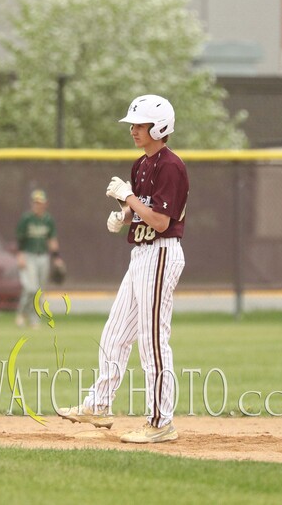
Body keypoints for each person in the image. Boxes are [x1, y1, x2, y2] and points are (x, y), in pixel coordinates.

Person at [58, 94, 188, 444]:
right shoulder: (141, 164)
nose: (133, 129)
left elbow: (160, 221)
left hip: (161, 254)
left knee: (153, 342)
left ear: (158, 127)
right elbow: (141, 212)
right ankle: (99, 404)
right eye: (133, 123)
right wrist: (124, 214)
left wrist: (128, 199)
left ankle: (161, 421)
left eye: (139, 124)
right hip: (141, 256)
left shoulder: (171, 165)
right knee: (114, 335)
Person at [15, 189, 64, 328]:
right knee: (31, 288)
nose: (38, 205)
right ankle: (21, 313)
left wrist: (57, 258)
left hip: (43, 256)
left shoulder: (48, 220)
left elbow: (52, 239)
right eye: (36, 203)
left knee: (39, 291)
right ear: (32, 204)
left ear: (45, 204)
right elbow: (20, 239)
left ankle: (34, 319)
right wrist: (20, 256)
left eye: (40, 203)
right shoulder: (26, 219)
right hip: (29, 255)